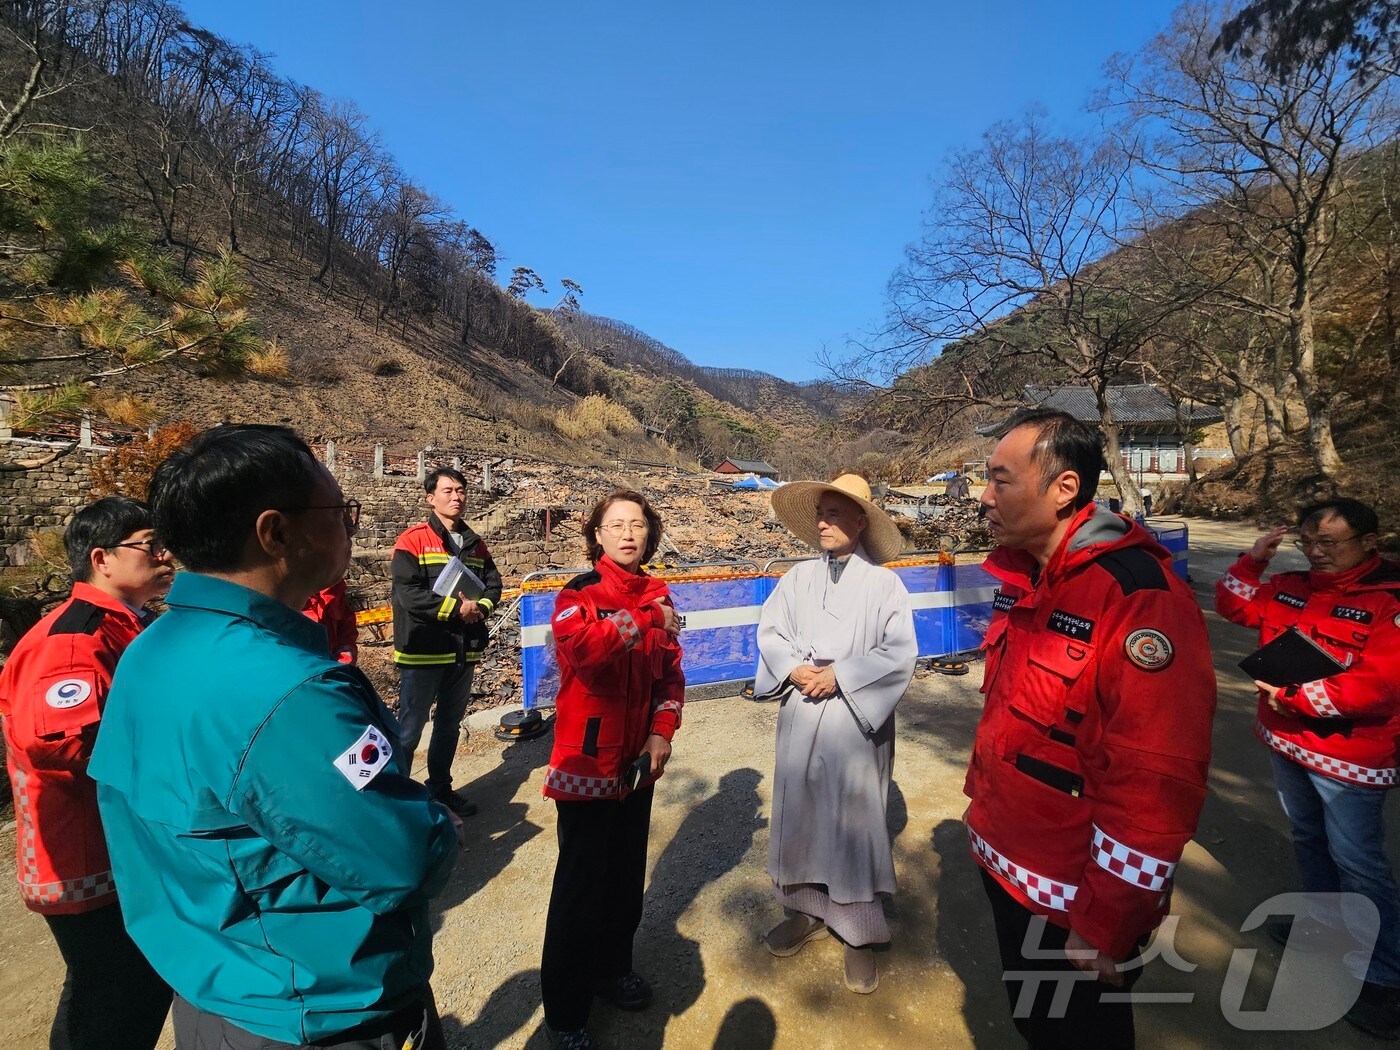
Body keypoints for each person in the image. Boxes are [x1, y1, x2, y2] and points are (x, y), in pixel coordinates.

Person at [89, 425, 461, 1050]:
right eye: (340, 512)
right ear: (276, 533)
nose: (349, 526)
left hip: (216, 988)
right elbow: (398, 857)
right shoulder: (290, 692)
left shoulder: (150, 649)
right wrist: (438, 827)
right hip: (313, 1007)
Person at [967, 409, 1215, 1048]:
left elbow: (1154, 780)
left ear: (1064, 489)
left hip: (1073, 897)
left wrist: (1109, 919)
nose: (983, 496)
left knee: (1080, 1035)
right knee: (1035, 1022)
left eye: (999, 480)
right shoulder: (1024, 577)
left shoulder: (1137, 596)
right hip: (1010, 864)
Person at [1216, 498, 1400, 1039]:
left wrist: (1297, 697)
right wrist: (1254, 560)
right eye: (1307, 542)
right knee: (1308, 839)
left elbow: (1382, 683)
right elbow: (1232, 605)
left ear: (1370, 542)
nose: (1315, 552)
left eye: (1329, 543)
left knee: (1359, 862)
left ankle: (1385, 975)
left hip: (1350, 757)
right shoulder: (1290, 585)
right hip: (1287, 744)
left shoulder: (1388, 599)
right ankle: (1322, 927)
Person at [0, 496, 174, 1050]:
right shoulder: (76, 639)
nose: (166, 555)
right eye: (150, 545)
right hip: (88, 852)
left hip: (117, 844)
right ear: (102, 558)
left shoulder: (126, 625)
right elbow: (65, 743)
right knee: (111, 1000)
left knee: (131, 991)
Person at [754, 473, 916, 994]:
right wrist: (793, 667)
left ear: (861, 522)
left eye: (835, 514)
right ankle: (803, 910)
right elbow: (771, 631)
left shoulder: (885, 586)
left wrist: (841, 675)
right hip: (803, 706)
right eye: (820, 513)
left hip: (853, 715)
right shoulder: (797, 578)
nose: (823, 523)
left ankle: (857, 932)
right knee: (800, 811)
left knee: (854, 819)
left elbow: (899, 652)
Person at [540, 489, 684, 1050]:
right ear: (597, 535)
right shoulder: (578, 595)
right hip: (586, 765)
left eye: (638, 525)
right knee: (580, 889)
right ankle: (566, 1014)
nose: (628, 533)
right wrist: (646, 616)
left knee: (625, 877)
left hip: (636, 766)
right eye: (616, 524)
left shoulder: (659, 593)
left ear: (650, 535)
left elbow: (670, 675)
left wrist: (661, 732)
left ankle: (612, 969)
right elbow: (586, 654)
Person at [391, 466, 503, 817]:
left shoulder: (475, 543)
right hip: (423, 651)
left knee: (449, 725)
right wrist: (458, 609)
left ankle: (440, 789)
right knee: (409, 730)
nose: (457, 497)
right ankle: (397, 802)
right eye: (448, 491)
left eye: (461, 491)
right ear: (431, 498)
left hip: (462, 651)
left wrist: (479, 608)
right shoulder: (412, 540)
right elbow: (409, 595)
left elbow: (494, 586)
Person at [304, 577, 358, 663]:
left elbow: (346, 626)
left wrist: (344, 660)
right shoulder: (285, 591)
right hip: (300, 665)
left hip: (332, 663)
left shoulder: (333, 586)